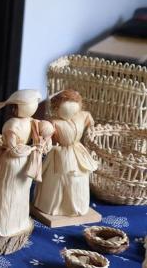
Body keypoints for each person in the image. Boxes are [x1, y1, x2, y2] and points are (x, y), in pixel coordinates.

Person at [0, 89, 53, 246]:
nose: (12, 110)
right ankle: (8, 224)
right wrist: (33, 149)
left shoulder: (15, 124)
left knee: (9, 194)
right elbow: (15, 150)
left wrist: (37, 145)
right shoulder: (30, 123)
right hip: (22, 162)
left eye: (15, 106)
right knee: (13, 194)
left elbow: (13, 150)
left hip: (14, 164)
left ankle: (4, 224)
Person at [33, 89, 98, 217]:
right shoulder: (53, 122)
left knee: (78, 180)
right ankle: (53, 206)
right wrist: (46, 141)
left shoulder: (83, 116)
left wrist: (92, 134)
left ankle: (76, 207)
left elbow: (91, 125)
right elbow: (47, 136)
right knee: (58, 180)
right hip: (60, 153)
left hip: (77, 151)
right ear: (56, 108)